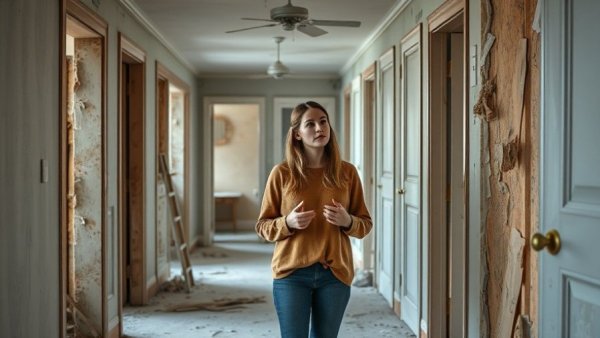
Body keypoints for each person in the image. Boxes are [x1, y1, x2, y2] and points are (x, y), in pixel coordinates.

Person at [256, 101, 373, 338]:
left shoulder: (347, 173)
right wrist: (287, 223)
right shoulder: (282, 173)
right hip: (292, 273)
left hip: (334, 274)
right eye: (310, 124)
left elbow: (365, 225)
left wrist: (347, 220)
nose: (319, 128)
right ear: (297, 134)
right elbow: (262, 227)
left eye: (323, 121)